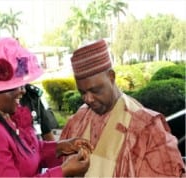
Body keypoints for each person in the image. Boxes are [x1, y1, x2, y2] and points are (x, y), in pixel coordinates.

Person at [0, 37, 93, 177]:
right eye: (16, 86)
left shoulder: (6, 114)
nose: (23, 91)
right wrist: (63, 171)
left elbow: (33, 151)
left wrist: (63, 147)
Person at [60, 39, 186, 177]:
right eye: (82, 92)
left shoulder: (146, 127)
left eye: (95, 90)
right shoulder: (78, 120)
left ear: (111, 77)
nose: (88, 99)